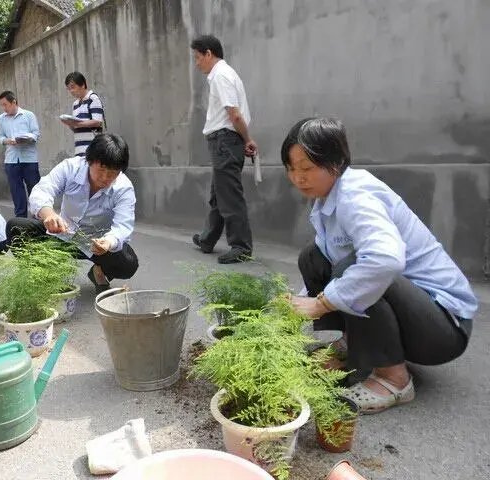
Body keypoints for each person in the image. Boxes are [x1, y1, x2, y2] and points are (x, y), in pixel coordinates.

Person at [282, 117, 477, 414]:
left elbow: (386, 260)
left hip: (443, 329)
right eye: (291, 169)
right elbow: (328, 260)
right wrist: (298, 305)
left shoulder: (355, 195)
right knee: (314, 258)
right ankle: (352, 345)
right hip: (416, 313)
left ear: (336, 162)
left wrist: (319, 305)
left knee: (356, 268)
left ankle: (394, 380)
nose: (298, 178)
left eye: (307, 168)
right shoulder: (326, 201)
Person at [5, 133, 138, 294]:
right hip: (60, 233)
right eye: (101, 170)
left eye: (113, 174)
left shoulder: (124, 188)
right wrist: (49, 215)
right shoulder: (71, 168)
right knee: (16, 226)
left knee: (128, 263)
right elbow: (43, 189)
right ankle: (41, 275)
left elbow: (123, 225)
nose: (105, 178)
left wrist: (108, 242)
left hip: (94, 243)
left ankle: (99, 273)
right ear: (89, 161)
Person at [190, 35, 257, 264]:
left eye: (198, 57)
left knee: (229, 196)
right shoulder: (225, 74)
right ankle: (208, 238)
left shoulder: (220, 75)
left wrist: (247, 139)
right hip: (226, 140)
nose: (197, 63)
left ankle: (241, 247)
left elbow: (234, 113)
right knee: (219, 193)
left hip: (225, 140)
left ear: (209, 53)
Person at [0, 91, 40, 217]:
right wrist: (7, 140)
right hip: (11, 160)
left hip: (29, 159)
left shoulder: (28, 115)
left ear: (14, 102)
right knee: (16, 191)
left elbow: (36, 134)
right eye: (2, 105)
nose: (4, 108)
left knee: (35, 190)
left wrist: (26, 138)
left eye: (5, 105)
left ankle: (38, 217)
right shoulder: (1, 119)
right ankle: (21, 220)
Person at [62, 72, 105, 157]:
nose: (71, 91)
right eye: (69, 89)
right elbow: (78, 126)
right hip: (79, 149)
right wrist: (70, 124)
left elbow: (97, 121)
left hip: (93, 148)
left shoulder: (93, 98)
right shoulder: (75, 104)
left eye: (73, 87)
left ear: (83, 85)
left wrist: (76, 124)